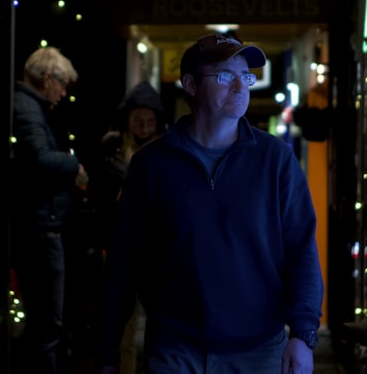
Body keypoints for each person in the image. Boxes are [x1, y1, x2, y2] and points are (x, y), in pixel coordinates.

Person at [97, 33, 324, 374]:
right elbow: (124, 262)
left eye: (246, 76)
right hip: (175, 350)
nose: (241, 86)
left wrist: (303, 335)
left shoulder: (275, 160)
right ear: (189, 84)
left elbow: (302, 250)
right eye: (224, 76)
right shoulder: (152, 164)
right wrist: (107, 352)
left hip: (260, 351)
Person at [9, 46, 88, 374]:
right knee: (47, 325)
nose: (64, 93)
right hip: (41, 229)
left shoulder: (30, 107)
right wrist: (75, 166)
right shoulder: (27, 108)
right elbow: (38, 159)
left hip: (41, 225)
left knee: (44, 325)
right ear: (46, 78)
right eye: (62, 84)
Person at [88, 81, 167, 374]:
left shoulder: (166, 148)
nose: (144, 127)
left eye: (150, 121)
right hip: (119, 244)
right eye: (138, 120)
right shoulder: (112, 146)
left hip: (157, 249)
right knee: (121, 325)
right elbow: (95, 194)